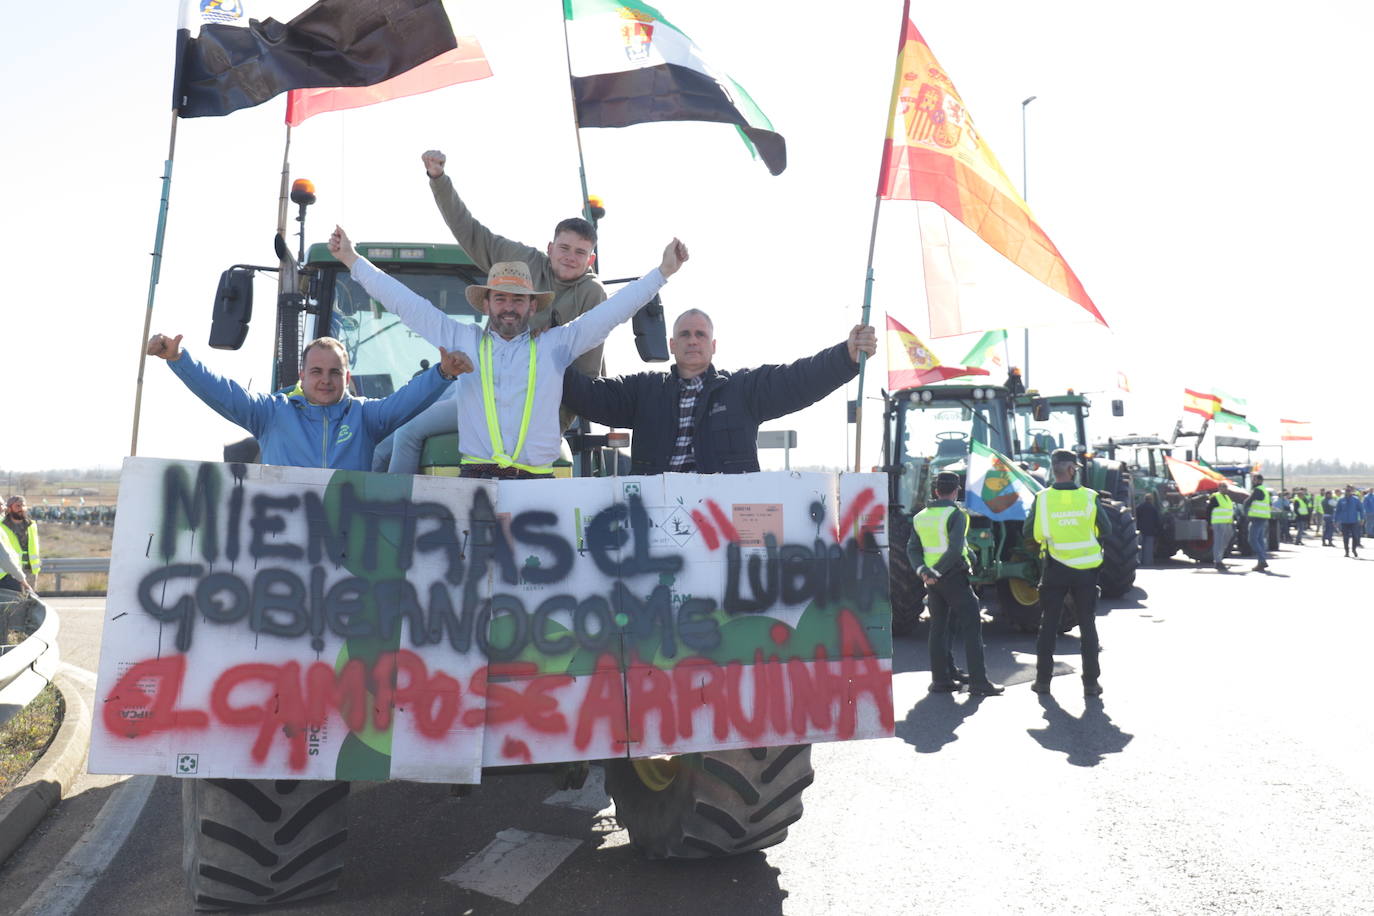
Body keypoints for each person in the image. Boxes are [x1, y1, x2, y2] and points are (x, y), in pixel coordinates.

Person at [330, 227, 687, 480]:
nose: (509, 308)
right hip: (476, 482)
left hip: (539, 486)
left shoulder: (556, 345)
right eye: (501, 298)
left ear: (533, 307)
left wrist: (662, 273)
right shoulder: (462, 340)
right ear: (487, 303)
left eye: (518, 300)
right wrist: (352, 260)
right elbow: (405, 303)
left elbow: (611, 313)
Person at [373, 149, 611, 476]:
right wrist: (439, 181)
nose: (570, 257)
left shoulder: (591, 295)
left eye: (580, 252)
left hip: (530, 405)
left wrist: (550, 428)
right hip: (480, 384)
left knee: (410, 433)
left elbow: (583, 375)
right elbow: (471, 233)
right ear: (549, 248)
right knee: (392, 438)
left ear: (590, 260)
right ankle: (387, 515)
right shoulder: (519, 262)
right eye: (565, 248)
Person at [560, 309, 876, 474]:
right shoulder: (643, 390)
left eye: (700, 334)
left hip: (724, 519)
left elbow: (799, 379)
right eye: (684, 334)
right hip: (656, 518)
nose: (692, 340)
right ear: (672, 345)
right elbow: (590, 396)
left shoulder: (743, 390)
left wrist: (846, 356)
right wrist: (546, 358)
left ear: (713, 345)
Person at [147, 333, 468, 469]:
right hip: (282, 551)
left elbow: (406, 401)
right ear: (301, 375)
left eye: (334, 372)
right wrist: (179, 359)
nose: (325, 380)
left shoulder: (367, 417)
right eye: (316, 371)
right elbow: (223, 393)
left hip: (347, 551)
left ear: (347, 377)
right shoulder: (270, 413)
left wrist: (442, 373)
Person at [1026, 449, 1112, 697]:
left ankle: (1042, 682)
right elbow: (1105, 529)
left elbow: (1030, 532)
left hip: (1055, 569)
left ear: (1054, 469)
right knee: (1087, 625)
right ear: (1072, 469)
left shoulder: (1042, 498)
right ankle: (1091, 684)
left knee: (1049, 624)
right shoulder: (1089, 497)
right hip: (1086, 571)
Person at [909, 472, 1003, 697]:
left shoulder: (920, 516)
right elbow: (953, 549)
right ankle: (979, 682)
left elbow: (912, 548)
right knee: (972, 626)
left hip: (932, 581)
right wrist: (938, 571)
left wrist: (925, 572)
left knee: (939, 627)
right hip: (952, 577)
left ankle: (941, 680)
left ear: (935, 490)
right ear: (956, 490)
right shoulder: (956, 514)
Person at [0, 497, 39, 596]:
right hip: (10, 573)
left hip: (29, 570)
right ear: (9, 508)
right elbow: (4, 555)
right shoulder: (2, 526)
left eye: (23, 505)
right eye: (18, 506)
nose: (21, 508)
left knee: (30, 603)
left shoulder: (32, 525)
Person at [1243, 473, 1273, 571]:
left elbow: (1247, 502)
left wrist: (1245, 510)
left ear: (1259, 481)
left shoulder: (1258, 490)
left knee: (1252, 539)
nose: (1253, 481)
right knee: (1260, 540)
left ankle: (1262, 560)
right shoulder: (1264, 490)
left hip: (1257, 518)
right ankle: (1261, 561)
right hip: (1263, 517)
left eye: (1254, 479)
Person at [1208, 486, 1235, 572]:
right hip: (1218, 522)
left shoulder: (1227, 497)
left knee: (1225, 540)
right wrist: (1209, 523)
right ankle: (1218, 562)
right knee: (1218, 542)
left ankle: (1219, 558)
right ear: (1220, 488)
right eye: (1224, 487)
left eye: (1226, 488)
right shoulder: (1215, 497)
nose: (1226, 489)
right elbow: (1208, 510)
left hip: (1227, 522)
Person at [1334, 485, 1364, 557]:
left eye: (1349, 491)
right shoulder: (1341, 500)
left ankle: (1354, 549)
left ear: (1351, 492)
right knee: (1345, 537)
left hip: (1354, 521)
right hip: (1344, 522)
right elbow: (1337, 511)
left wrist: (1362, 519)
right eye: (1346, 491)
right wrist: (1336, 521)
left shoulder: (1356, 500)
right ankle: (1346, 551)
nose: (1347, 492)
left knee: (1355, 536)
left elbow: (1361, 509)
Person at [1135, 494, 1161, 567]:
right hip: (1150, 530)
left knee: (1139, 546)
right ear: (1151, 500)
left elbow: (1136, 517)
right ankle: (1148, 562)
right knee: (1148, 548)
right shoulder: (1153, 509)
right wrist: (1158, 529)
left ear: (1145, 499)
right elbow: (1157, 520)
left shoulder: (1139, 507)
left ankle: (1138, 561)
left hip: (1140, 529)